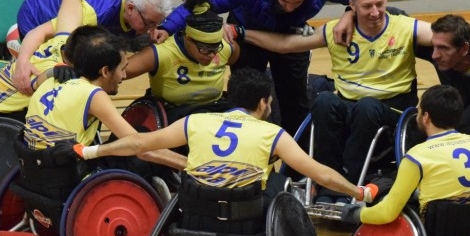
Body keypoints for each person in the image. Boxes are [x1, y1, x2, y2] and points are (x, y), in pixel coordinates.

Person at [243, 0, 433, 199]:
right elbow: (286, 45)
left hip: (390, 109)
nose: (375, 12)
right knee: (323, 100)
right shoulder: (336, 31)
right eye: (367, 6)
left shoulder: (405, 27)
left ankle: (348, 184)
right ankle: (326, 180)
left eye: (380, 4)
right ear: (352, 6)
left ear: (387, 0)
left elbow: (447, 35)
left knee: (367, 106)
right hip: (349, 104)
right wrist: (242, 32)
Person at [72, 67, 375, 206]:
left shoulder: (195, 121)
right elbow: (320, 173)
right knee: (280, 185)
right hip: (246, 213)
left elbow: (138, 143)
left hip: (197, 207)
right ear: (263, 103)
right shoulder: (273, 134)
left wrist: (92, 152)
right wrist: (358, 192)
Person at [160, 0, 352, 136]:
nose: (289, 7)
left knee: (295, 101)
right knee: (247, 98)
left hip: (290, 35)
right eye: (284, 0)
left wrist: (348, 14)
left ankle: (295, 162)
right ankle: (246, 148)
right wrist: (167, 28)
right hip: (246, 36)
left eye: (297, 2)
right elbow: (204, 1)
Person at [21, 26, 185, 175]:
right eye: (122, 69)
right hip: (68, 176)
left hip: (33, 169)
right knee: (142, 153)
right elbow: (140, 147)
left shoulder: (51, 79)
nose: (124, 76)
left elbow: (33, 85)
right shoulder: (93, 95)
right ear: (105, 71)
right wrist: (190, 166)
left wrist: (52, 71)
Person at [339, 85, 470, 226]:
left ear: (426, 117)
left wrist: (355, 214)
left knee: (386, 202)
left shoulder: (417, 156)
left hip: (437, 231)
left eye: (418, 111)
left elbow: (386, 213)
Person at [11, 0, 174, 95]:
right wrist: (23, 62)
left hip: (83, 15)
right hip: (37, 14)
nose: (151, 30)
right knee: (64, 74)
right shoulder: (92, 13)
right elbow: (39, 32)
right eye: (148, 24)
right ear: (130, 8)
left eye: (157, 24)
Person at [123, 0, 240, 123]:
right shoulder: (161, 53)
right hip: (173, 117)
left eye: (215, 48)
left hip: (214, 112)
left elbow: (232, 56)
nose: (212, 55)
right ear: (188, 39)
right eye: (205, 49)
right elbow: (119, 71)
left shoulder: (229, 48)